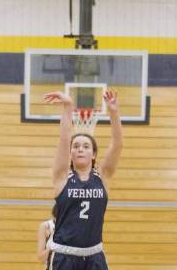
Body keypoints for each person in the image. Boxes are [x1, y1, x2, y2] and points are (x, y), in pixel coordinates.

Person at [43, 90, 123, 270]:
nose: (80, 149)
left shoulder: (103, 176)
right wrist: (67, 107)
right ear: (70, 154)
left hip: (94, 256)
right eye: (76, 146)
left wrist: (114, 113)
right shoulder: (62, 177)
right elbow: (64, 139)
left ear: (94, 154)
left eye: (86, 146)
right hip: (64, 256)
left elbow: (117, 144)